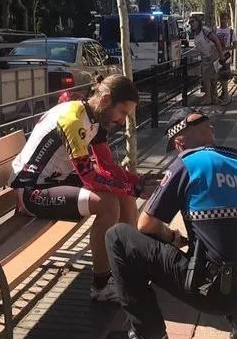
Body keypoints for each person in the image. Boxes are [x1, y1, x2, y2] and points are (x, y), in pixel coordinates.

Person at [104, 108, 237, 339]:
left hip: (211, 292)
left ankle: (149, 334)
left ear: (179, 141)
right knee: (234, 244)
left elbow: (146, 224)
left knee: (119, 236)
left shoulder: (189, 164)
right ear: (210, 131)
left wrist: (172, 237)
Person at [9, 74, 159, 303]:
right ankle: (100, 285)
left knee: (124, 194)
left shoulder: (94, 119)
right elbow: (89, 177)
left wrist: (136, 182)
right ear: (106, 99)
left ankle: (127, 270)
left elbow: (107, 166)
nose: (122, 121)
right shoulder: (72, 120)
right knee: (107, 204)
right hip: (30, 191)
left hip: (57, 182)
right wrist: (135, 188)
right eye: (123, 113)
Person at [188, 16, 226, 105]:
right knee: (208, 78)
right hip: (205, 58)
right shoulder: (195, 33)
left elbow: (216, 40)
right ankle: (211, 97)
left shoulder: (205, 30)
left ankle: (211, 97)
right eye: (190, 23)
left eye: (193, 21)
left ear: (198, 21)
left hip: (213, 55)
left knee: (211, 78)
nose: (191, 24)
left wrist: (221, 55)